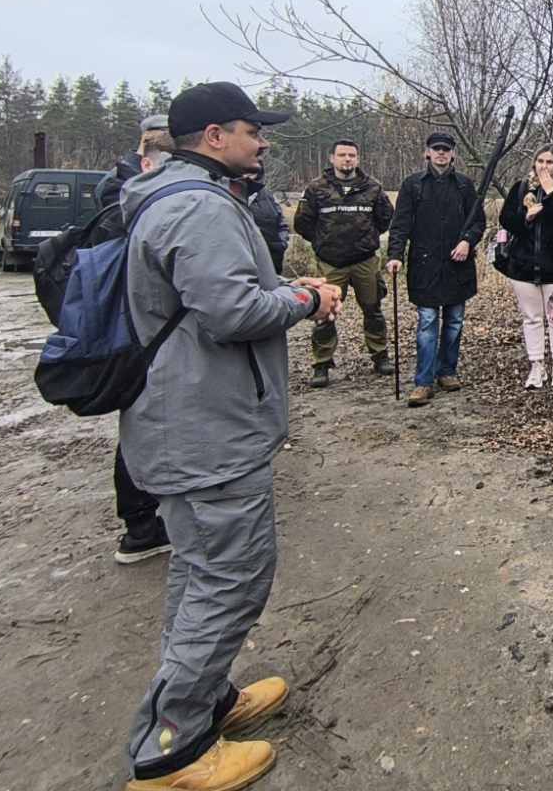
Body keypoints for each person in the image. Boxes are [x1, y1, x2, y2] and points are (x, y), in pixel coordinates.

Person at [119, 81, 342, 790]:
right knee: (231, 577)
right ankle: (172, 750)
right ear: (214, 136)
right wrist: (306, 297)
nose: (263, 141)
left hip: (191, 423)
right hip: (204, 430)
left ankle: (203, 698)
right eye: (253, 129)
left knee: (201, 571)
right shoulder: (198, 206)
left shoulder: (175, 195)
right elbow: (233, 311)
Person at [73, 127, 178, 565]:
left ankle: (147, 521)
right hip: (138, 338)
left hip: (142, 334)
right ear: (149, 162)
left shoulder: (128, 199)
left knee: (150, 424)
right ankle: (142, 527)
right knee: (146, 426)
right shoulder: (124, 210)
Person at [386, 132, 486, 408]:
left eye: (446, 149)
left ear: (453, 154)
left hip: (457, 265)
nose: (441, 153)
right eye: (436, 149)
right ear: (427, 152)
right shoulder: (412, 185)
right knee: (428, 322)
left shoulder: (465, 185)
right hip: (424, 265)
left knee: (454, 322)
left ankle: (447, 372)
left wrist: (467, 241)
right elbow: (400, 223)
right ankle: (423, 381)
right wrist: (395, 255)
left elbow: (478, 221)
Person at [293, 140, 396, 387]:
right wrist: (324, 243)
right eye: (342, 155)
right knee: (325, 313)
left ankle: (380, 356)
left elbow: (385, 219)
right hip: (331, 263)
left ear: (357, 158)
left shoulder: (372, 187)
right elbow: (302, 223)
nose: (347, 159)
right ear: (332, 158)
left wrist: (366, 240)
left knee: (373, 309)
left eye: (351, 155)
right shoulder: (316, 188)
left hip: (364, 260)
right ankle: (321, 364)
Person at [498, 146, 553, 388]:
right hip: (524, 264)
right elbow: (506, 219)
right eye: (540, 161)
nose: (544, 166)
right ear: (534, 163)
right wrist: (527, 218)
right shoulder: (521, 187)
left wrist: (550, 192)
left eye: (550, 162)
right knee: (531, 318)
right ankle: (536, 366)